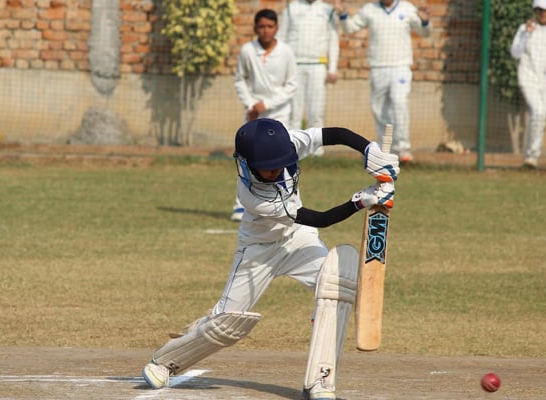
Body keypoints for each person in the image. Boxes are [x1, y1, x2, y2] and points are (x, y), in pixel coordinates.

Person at [141, 118, 400, 400]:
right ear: (249, 165)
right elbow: (319, 218)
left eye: (280, 163)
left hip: (298, 239)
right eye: (269, 168)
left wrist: (369, 151)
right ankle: (164, 362)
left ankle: (321, 380)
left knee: (337, 290)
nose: (277, 170)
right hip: (257, 252)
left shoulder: (285, 145)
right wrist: (360, 201)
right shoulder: (253, 195)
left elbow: (334, 134)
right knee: (226, 323)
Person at [333, 0, 431, 163]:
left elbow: (425, 33)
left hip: (400, 65)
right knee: (379, 108)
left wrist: (426, 21)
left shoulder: (407, 9)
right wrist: (343, 13)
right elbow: (350, 28)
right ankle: (386, 149)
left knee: (399, 103)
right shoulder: (370, 10)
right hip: (378, 66)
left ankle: (403, 149)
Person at [231, 9, 298, 222]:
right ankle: (241, 205)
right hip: (254, 116)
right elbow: (239, 79)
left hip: (279, 113)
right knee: (247, 158)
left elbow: (292, 85)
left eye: (270, 27)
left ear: (277, 28)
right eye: (261, 27)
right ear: (255, 28)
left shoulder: (286, 51)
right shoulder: (247, 50)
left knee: (283, 157)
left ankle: (287, 200)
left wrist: (266, 104)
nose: (266, 31)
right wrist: (251, 104)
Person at [279, 0, 340, 156]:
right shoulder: (291, 8)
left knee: (317, 111)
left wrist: (332, 68)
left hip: (318, 65)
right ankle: (293, 150)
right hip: (294, 65)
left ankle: (317, 151)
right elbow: (281, 39)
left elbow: (333, 40)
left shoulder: (327, 10)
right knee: (294, 112)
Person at [510, 0, 546, 169]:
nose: (543, 13)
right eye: (539, 10)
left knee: (540, 116)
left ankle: (531, 157)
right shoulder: (524, 28)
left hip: (545, 80)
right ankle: (532, 156)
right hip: (527, 77)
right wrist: (527, 33)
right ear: (534, 11)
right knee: (538, 111)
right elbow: (515, 53)